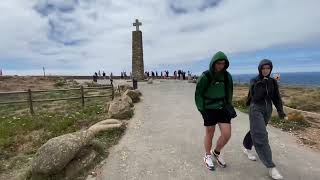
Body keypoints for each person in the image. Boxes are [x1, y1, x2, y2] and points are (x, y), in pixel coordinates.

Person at [242, 59, 286, 180]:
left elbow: (276, 97)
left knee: (255, 131)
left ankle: (246, 147)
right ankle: (271, 167)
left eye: (268, 68)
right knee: (261, 135)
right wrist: (263, 82)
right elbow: (256, 96)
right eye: (263, 68)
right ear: (260, 69)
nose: (266, 70)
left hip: (267, 110)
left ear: (271, 69)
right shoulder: (254, 80)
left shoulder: (273, 82)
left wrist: (280, 110)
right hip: (256, 109)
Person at [195, 51, 233, 171]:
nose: (220, 66)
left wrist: (229, 105)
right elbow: (198, 94)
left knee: (227, 134)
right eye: (218, 63)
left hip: (222, 108)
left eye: (223, 63)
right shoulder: (205, 76)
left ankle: (216, 152)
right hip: (208, 109)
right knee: (210, 132)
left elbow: (229, 92)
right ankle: (207, 155)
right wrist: (202, 110)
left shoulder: (227, 76)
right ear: (213, 63)